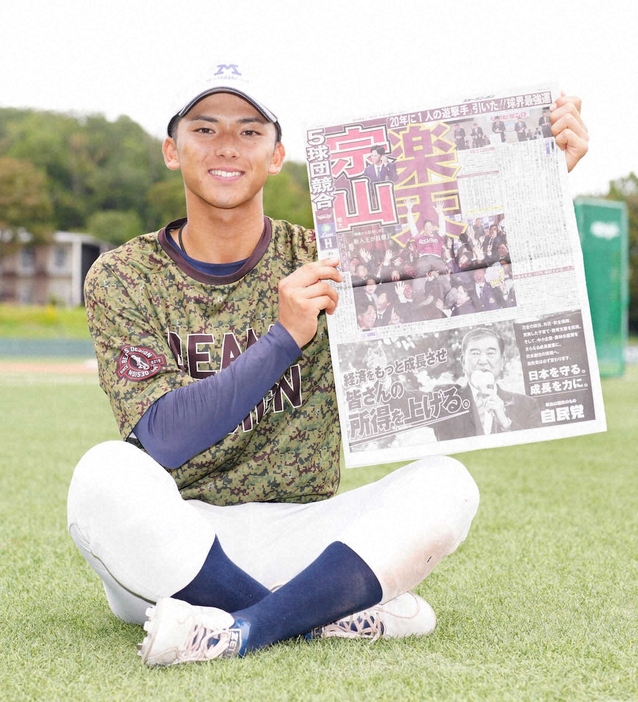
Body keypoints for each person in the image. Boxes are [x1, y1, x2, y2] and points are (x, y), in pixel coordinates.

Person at [66, 61, 589, 667]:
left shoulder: (325, 258)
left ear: (277, 153)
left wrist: (535, 180)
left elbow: (458, 281)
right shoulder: (124, 275)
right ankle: (316, 616)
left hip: (308, 534)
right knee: (103, 475)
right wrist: (283, 338)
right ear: (171, 150)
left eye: (249, 131)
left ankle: (240, 630)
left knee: (448, 484)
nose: (227, 147)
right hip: (174, 546)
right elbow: (159, 438)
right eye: (205, 130)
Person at [433, 327, 541, 441]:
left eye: (490, 353)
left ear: (502, 361)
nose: (483, 361)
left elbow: (534, 450)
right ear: (463, 361)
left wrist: (505, 423)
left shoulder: (527, 405)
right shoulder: (445, 400)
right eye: (475, 353)